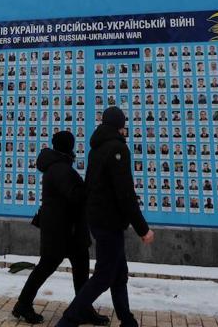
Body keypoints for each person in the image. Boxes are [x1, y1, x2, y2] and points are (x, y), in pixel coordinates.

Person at [56, 106, 154, 327]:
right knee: (103, 276)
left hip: (99, 220)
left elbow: (91, 186)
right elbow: (125, 193)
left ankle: (127, 320)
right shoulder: (118, 150)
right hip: (109, 223)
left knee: (118, 273)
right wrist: (143, 229)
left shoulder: (96, 149)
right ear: (120, 126)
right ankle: (68, 320)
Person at [13, 131, 109, 325]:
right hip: (64, 231)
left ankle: (82, 308)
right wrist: (92, 183)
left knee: (75, 268)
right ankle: (24, 305)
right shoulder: (61, 170)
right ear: (69, 146)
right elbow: (76, 196)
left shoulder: (57, 167)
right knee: (49, 268)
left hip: (63, 229)